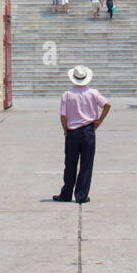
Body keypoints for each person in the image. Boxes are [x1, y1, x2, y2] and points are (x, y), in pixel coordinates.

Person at [54, 65, 111, 204]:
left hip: (73, 132)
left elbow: (63, 116)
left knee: (70, 164)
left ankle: (66, 194)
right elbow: (107, 105)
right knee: (86, 164)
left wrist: (66, 131)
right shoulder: (93, 93)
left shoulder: (67, 95)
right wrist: (99, 121)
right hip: (88, 131)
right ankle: (81, 195)